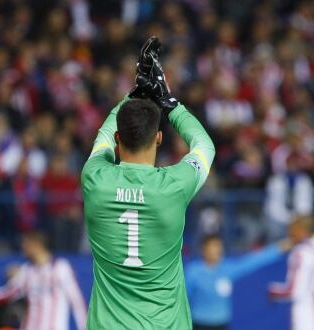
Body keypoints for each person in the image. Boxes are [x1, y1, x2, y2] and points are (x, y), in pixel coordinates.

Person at [81, 37, 215, 329]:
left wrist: (133, 94)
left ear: (119, 139)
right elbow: (204, 146)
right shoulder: (174, 186)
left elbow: (102, 138)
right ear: (159, 138)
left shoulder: (95, 180)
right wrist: (169, 103)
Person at [0, 231, 87, 330]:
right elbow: (8, 293)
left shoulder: (61, 267)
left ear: (36, 244)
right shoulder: (26, 271)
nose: (23, 247)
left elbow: (77, 302)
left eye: (25, 243)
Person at [186, 235, 288, 330]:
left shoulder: (227, 269)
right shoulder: (193, 271)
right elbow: (183, 298)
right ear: (204, 249)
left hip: (221, 325)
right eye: (213, 247)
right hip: (198, 324)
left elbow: (253, 261)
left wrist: (277, 248)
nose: (217, 251)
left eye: (219, 247)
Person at [268, 215, 314, 330]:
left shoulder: (301, 253)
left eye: (292, 229)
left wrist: (273, 292)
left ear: (301, 230)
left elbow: (294, 290)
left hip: (308, 317)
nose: (289, 234)